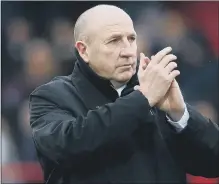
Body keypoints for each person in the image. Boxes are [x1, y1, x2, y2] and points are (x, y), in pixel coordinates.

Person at [29, 5, 219, 184]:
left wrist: (181, 115)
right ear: (83, 50)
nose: (128, 51)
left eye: (131, 39)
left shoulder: (156, 96)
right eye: (114, 41)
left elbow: (213, 164)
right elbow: (66, 145)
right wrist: (142, 100)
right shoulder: (50, 96)